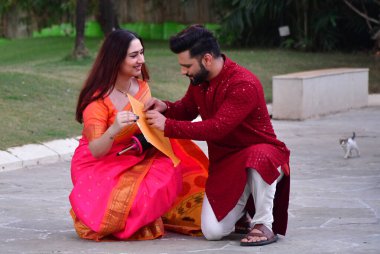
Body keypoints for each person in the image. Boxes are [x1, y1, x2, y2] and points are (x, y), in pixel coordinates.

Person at [144, 24, 290, 246]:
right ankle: (241, 215)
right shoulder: (199, 80)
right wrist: (165, 107)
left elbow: (217, 128)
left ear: (207, 59)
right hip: (226, 163)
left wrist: (168, 126)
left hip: (263, 157)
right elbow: (187, 109)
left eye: (186, 66)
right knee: (212, 232)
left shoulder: (243, 83)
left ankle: (264, 223)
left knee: (258, 156)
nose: (183, 71)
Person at [69, 29, 208, 241]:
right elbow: (96, 150)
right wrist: (114, 129)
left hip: (137, 152)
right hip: (102, 161)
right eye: (134, 55)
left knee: (169, 169)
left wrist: (154, 124)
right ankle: (130, 221)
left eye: (141, 53)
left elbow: (145, 127)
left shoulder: (141, 87)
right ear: (115, 59)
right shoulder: (97, 101)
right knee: (129, 198)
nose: (141, 60)